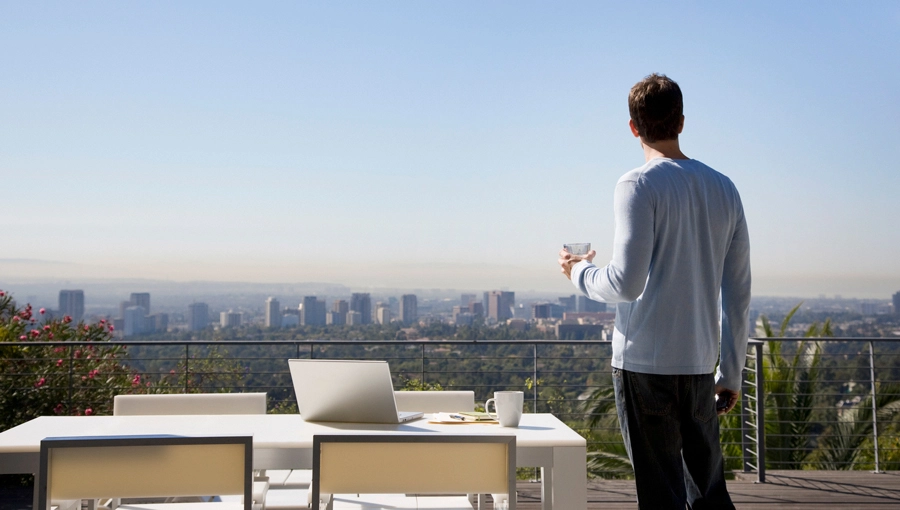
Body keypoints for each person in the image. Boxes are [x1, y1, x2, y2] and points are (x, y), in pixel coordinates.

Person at [558, 73, 751, 509]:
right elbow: (737, 290)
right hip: (701, 366)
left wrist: (579, 272)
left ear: (633, 127)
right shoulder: (725, 189)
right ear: (681, 121)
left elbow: (626, 284)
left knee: (661, 496)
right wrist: (732, 372)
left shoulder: (637, 184)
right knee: (709, 495)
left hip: (644, 366)